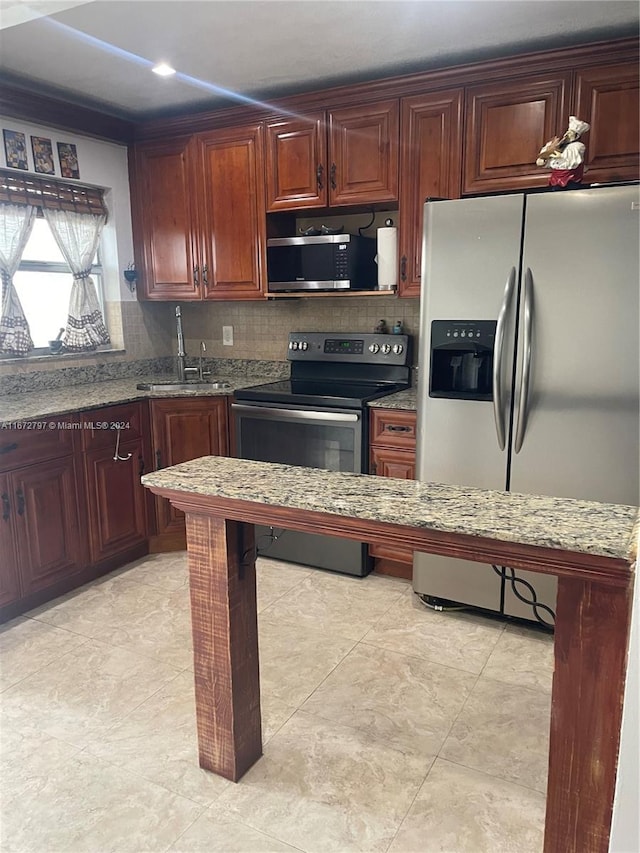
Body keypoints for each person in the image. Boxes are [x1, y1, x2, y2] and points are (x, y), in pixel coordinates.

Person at [536, 116, 591, 188]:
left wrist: (559, 154)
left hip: (571, 179)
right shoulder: (557, 145)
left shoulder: (578, 146)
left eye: (571, 134)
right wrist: (549, 152)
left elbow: (574, 162)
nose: (567, 135)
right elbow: (541, 162)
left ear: (576, 136)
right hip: (555, 179)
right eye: (568, 133)